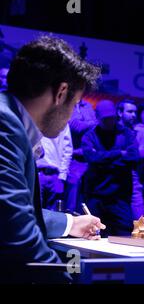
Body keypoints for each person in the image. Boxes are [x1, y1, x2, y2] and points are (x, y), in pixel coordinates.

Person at [0, 36, 105, 283]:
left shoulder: (10, 119)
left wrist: (71, 223)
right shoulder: (5, 125)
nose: (71, 115)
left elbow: (12, 212)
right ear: (61, 93)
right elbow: (18, 237)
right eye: (76, 104)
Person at [82, 100, 139, 236]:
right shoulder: (89, 136)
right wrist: (119, 153)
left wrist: (102, 160)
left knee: (124, 233)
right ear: (98, 118)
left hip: (120, 195)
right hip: (96, 194)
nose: (110, 122)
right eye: (106, 119)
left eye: (112, 118)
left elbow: (133, 157)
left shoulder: (127, 134)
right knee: (95, 234)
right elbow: (91, 158)